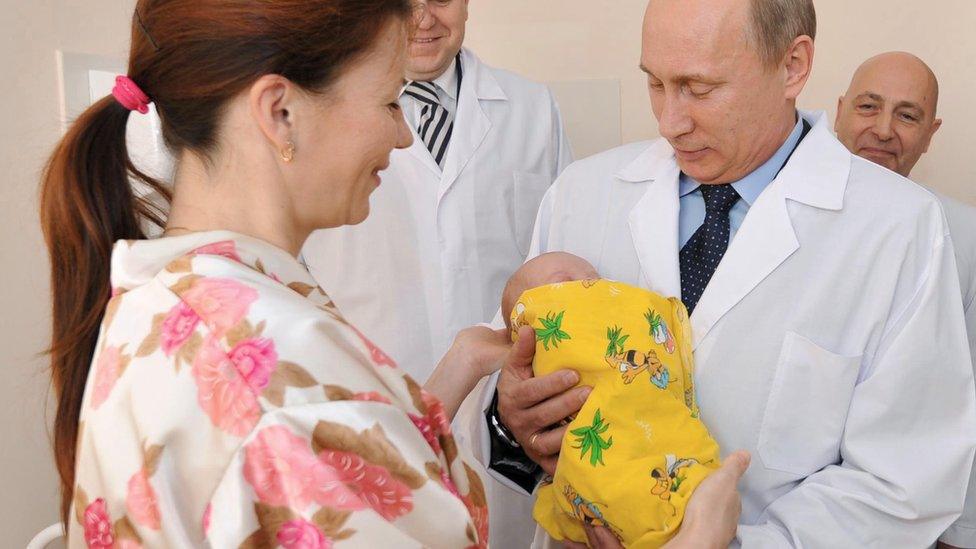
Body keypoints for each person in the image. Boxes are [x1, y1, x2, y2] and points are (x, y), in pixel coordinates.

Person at [38, 0, 746, 546]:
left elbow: (323, 463)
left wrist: (460, 366)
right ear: (280, 112)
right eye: (386, 100)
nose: (402, 131)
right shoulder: (274, 368)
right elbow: (306, 427)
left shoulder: (169, 295)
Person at [466, 0, 976, 546]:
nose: (669, 121)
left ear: (793, 66)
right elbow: (510, 384)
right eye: (655, 83)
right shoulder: (582, 194)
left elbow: (903, 480)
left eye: (699, 88)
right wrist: (508, 421)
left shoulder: (899, 227)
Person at [300, 0, 573, 544]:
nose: (423, 17)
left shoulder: (531, 109)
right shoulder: (317, 109)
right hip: (370, 415)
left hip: (506, 423)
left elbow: (563, 261)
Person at [834, 51, 976, 549]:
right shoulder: (764, 217)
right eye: (868, 107)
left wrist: (959, 535)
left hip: (900, 521)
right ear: (839, 111)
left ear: (931, 132)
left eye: (907, 115)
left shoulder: (966, 237)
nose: (884, 129)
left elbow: (969, 402)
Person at [502, 253, 722, 547]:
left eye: (594, 279)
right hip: (587, 479)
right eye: (567, 283)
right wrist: (515, 408)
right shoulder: (564, 224)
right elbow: (513, 339)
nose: (592, 283)